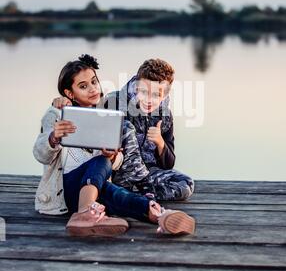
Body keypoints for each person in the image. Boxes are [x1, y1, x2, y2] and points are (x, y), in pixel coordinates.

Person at [34, 54, 195, 237]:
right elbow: (41, 154)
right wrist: (54, 137)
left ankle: (159, 215)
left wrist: (113, 156)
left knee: (116, 194)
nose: (93, 89)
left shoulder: (105, 113)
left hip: (95, 187)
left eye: (94, 82)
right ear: (70, 93)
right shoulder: (57, 114)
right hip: (66, 190)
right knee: (102, 164)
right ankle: (87, 212)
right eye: (83, 86)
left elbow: (118, 160)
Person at [105, 58, 195, 202]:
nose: (148, 100)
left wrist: (160, 142)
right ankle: (125, 189)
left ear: (164, 95)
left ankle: (140, 195)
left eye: (155, 95)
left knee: (186, 184)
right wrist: (63, 102)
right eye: (144, 92)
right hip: (117, 171)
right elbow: (87, 115)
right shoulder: (113, 102)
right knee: (126, 127)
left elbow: (168, 164)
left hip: (148, 174)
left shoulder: (164, 116)